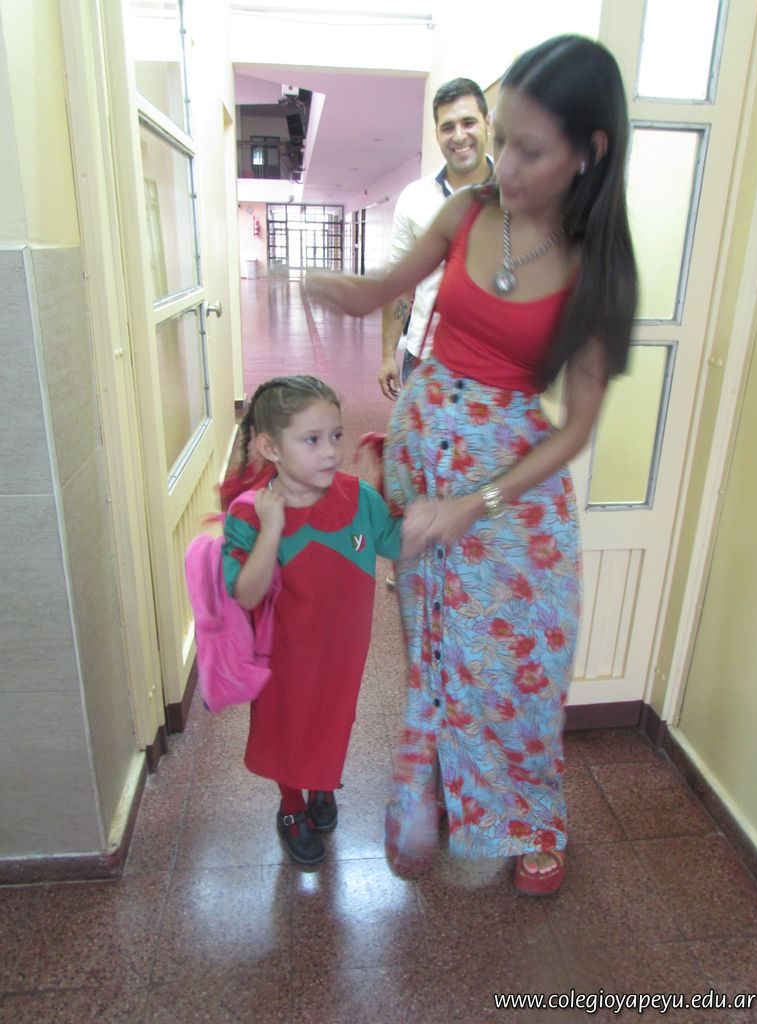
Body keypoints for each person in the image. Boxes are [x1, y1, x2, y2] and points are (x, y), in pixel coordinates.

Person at [306, 36, 637, 895]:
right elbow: (386, 289)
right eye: (504, 140)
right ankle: (452, 788)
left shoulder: (598, 268)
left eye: (530, 149)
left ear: (589, 151)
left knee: (518, 663)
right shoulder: (466, 213)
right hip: (427, 457)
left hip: (509, 487)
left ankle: (531, 820)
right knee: (437, 647)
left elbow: (575, 428)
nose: (504, 166)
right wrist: (338, 290)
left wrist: (473, 504)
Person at [220, 375, 435, 867]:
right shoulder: (249, 515)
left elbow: (394, 543)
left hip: (343, 653)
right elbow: (247, 592)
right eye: (312, 440)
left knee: (332, 718)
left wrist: (415, 498)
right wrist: (272, 528)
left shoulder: (358, 499)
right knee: (288, 727)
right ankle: (291, 807)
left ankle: (321, 784)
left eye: (336, 436)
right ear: (270, 447)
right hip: (282, 658)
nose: (331, 451)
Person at [378, 77, 493, 401]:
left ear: (487, 122)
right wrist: (388, 355)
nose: (459, 136)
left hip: (493, 364)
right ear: (437, 134)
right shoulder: (415, 198)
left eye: (468, 122)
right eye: (448, 127)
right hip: (424, 357)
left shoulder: (518, 195)